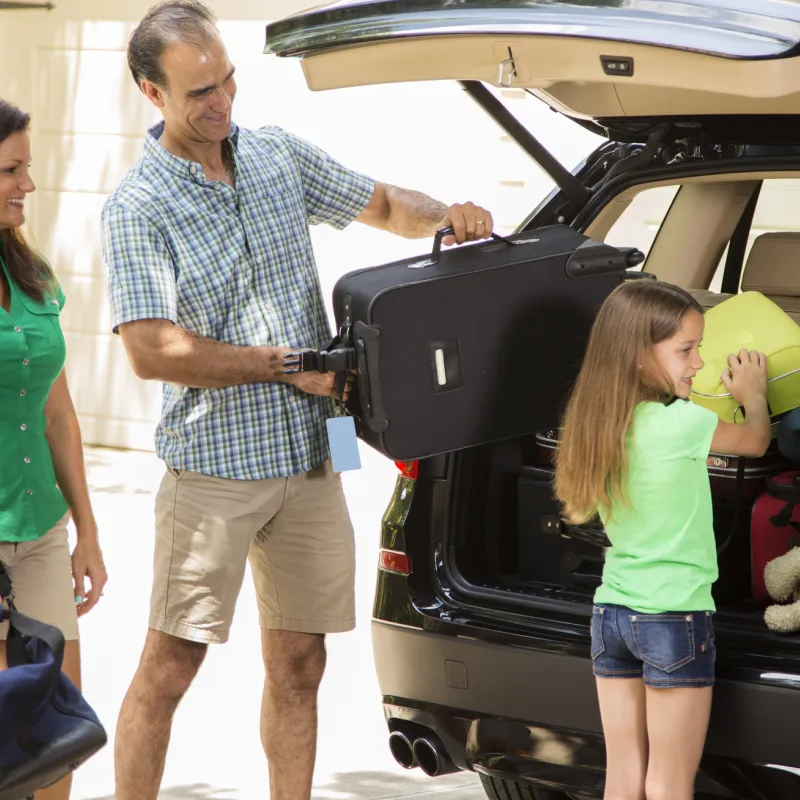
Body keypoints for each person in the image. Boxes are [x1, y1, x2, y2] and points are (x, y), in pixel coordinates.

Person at [100, 2, 495, 797]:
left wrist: (446, 220)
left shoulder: (276, 156)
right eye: (198, 92)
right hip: (213, 471)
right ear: (152, 93)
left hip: (314, 455)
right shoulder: (138, 207)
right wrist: (284, 366)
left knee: (301, 662)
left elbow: (383, 205)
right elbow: (151, 351)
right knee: (171, 667)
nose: (222, 102)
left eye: (228, 80)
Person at [554, 280, 770, 800]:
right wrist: (753, 395)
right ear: (636, 356)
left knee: (625, 778)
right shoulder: (684, 424)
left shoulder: (597, 423)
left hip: (612, 617)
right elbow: (758, 441)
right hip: (675, 620)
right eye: (686, 350)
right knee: (671, 783)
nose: (697, 362)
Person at [0, 98, 108, 800]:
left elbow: (58, 412)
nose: (28, 184)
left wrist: (87, 530)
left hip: (40, 533)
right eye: (12, 169)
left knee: (55, 734)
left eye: (28, 166)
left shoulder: (30, 272)